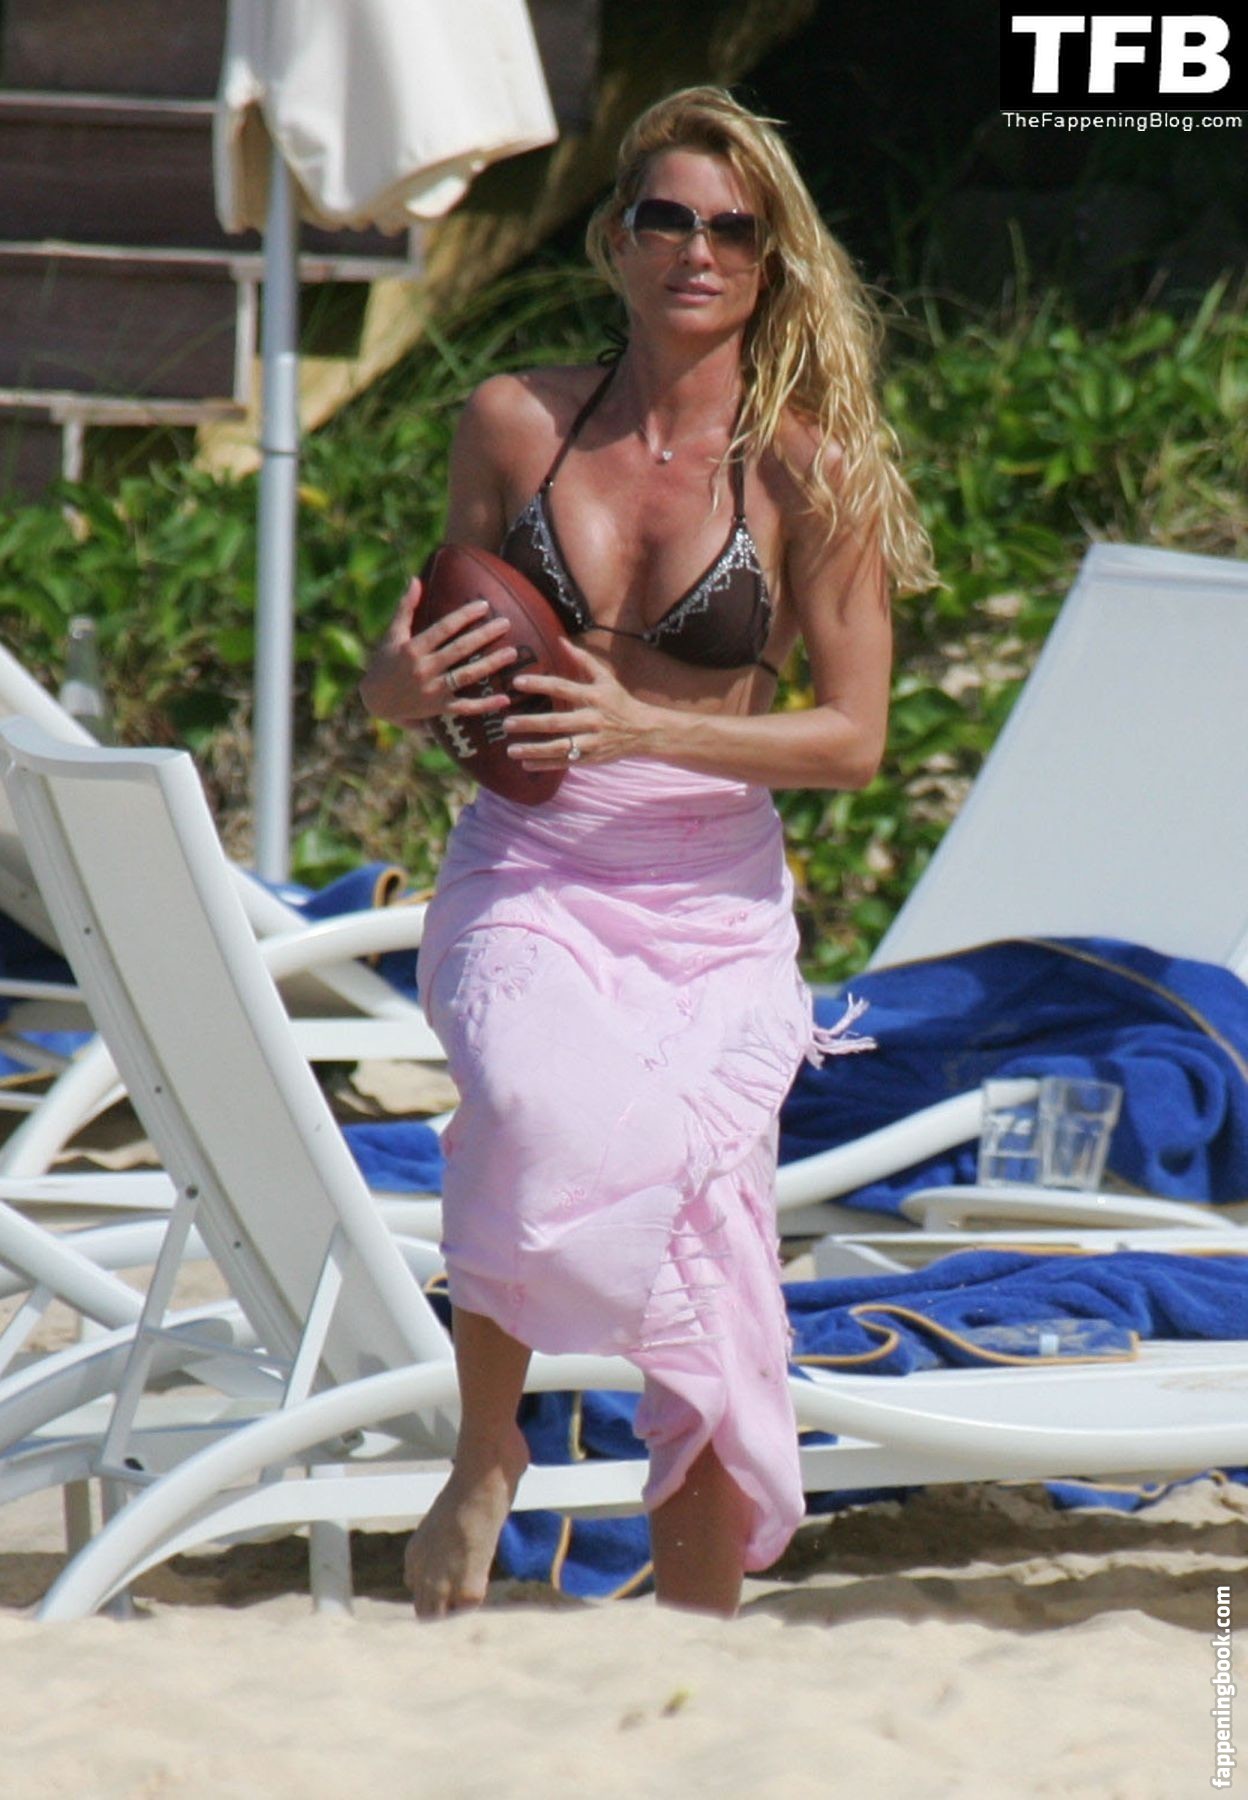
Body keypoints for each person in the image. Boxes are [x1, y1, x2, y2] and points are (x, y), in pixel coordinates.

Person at [359, 85, 935, 1620]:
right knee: (527, 1103)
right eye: (667, 218)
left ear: (771, 262)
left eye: (733, 229)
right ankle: (487, 1447)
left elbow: (853, 739)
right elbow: (436, 674)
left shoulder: (811, 470)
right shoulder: (515, 422)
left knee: (708, 1242)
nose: (698, 249)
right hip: (531, 861)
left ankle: (700, 1644)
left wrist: (645, 726)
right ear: (614, 240)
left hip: (709, 897)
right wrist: (394, 694)